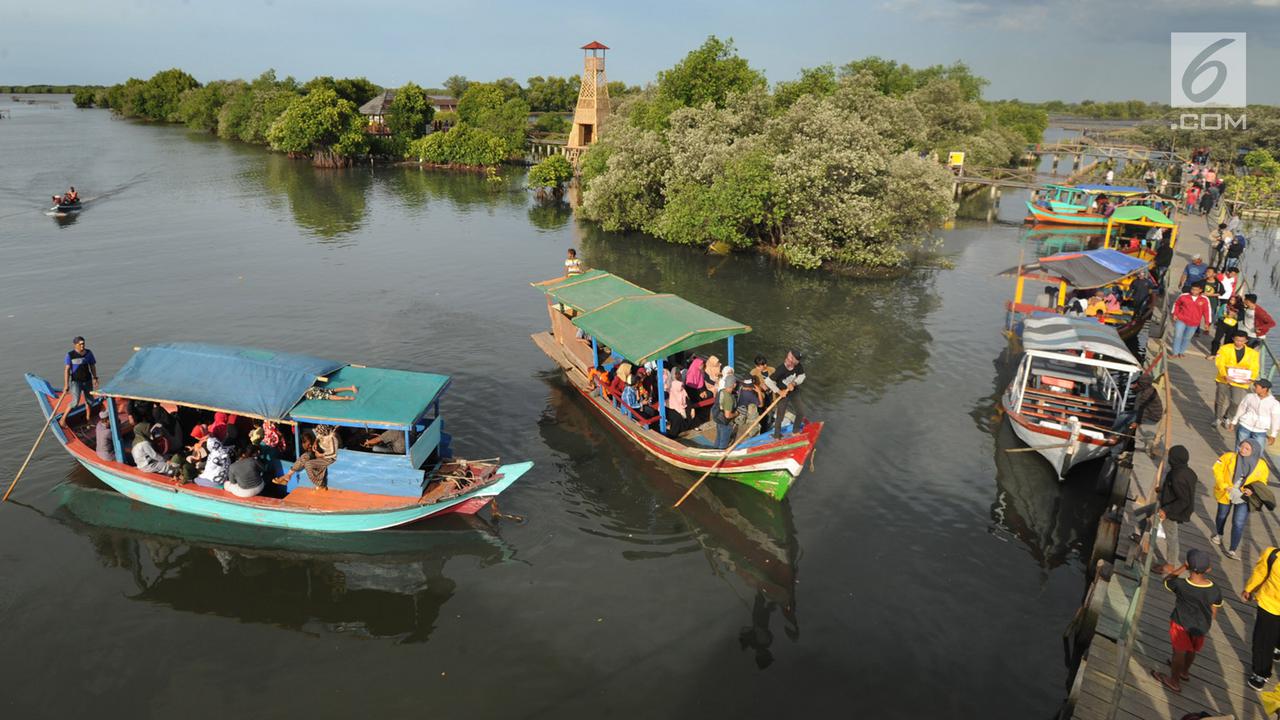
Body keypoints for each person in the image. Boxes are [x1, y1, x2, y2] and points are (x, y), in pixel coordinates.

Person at [1152, 549, 1222, 693]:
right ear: (1208, 569)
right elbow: (1214, 612)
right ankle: (1184, 671)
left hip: (1181, 624)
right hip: (1201, 627)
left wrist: (1182, 567)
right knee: (1191, 649)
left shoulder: (1181, 585)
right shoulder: (1215, 589)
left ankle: (1174, 681)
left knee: (1179, 652)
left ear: (1189, 566)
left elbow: (1167, 580)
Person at [1212, 438, 1269, 559]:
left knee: (1238, 522)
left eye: (1247, 449)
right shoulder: (1229, 457)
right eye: (1241, 447)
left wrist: (1252, 490)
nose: (1242, 450)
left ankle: (1232, 549)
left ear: (1254, 451)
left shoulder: (1262, 465)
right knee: (1222, 515)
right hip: (1227, 491)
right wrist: (1223, 485)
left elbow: (1262, 481)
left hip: (1244, 496)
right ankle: (1219, 534)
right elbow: (1217, 469)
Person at [1156, 446, 1199, 576]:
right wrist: (1162, 490)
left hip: (1172, 511)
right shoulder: (1188, 472)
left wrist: (1166, 510)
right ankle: (1144, 542)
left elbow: (1183, 500)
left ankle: (1170, 565)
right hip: (1169, 505)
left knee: (1171, 537)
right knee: (1144, 514)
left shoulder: (1177, 476)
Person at [1244, 545, 1280, 690]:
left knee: (1263, 640)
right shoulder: (1272, 555)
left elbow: (1260, 573)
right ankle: (1277, 650)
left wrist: (1249, 589)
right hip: (1270, 603)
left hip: (1269, 604)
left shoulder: (1272, 554)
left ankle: (1260, 673)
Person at [1214, 331, 1260, 427]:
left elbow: (1255, 367)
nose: (1239, 342)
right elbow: (1219, 362)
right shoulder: (1224, 349)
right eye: (1237, 340)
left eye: (1242, 341)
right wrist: (1224, 374)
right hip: (1224, 378)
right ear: (1233, 339)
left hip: (1241, 381)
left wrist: (1252, 378)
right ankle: (1217, 418)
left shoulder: (1253, 353)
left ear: (1246, 341)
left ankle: (1228, 417)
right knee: (1220, 399)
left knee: (1236, 401)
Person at [274, 426, 339, 490]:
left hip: (329, 458)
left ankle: (321, 485)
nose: (319, 435)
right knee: (305, 456)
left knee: (308, 464)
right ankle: (287, 476)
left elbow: (333, 454)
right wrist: (315, 443)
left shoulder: (333, 438)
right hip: (320, 454)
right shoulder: (321, 434)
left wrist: (321, 455)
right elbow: (318, 436)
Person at [765, 350, 808, 438]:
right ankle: (776, 436)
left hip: (794, 391)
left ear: (796, 362)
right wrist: (779, 391)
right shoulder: (780, 369)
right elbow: (768, 381)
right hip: (782, 394)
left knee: (801, 412)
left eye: (791, 359)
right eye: (788, 357)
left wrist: (794, 383)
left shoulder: (798, 366)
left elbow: (802, 376)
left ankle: (795, 431)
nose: (787, 360)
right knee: (780, 416)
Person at [1232, 379, 1280, 450]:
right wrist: (1234, 421)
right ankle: (1238, 460)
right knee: (1240, 448)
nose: (1255, 388)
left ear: (1264, 389)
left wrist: (1273, 434)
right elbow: (1241, 408)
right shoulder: (1249, 397)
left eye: (1257, 387)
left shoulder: (1274, 403)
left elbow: (1276, 419)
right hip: (1245, 425)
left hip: (1260, 430)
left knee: (1258, 451)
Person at [61, 336, 99, 425]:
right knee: (75, 403)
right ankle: (63, 419)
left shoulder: (89, 353)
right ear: (75, 345)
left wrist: (95, 377)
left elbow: (92, 366)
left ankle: (88, 419)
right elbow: (67, 370)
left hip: (87, 381)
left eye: (83, 344)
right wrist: (66, 385)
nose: (82, 346)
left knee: (90, 401)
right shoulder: (70, 355)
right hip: (76, 382)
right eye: (80, 344)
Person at [1169, 283, 1211, 358]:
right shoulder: (1183, 296)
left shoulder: (1204, 299)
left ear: (1200, 290)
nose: (1193, 291)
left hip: (1194, 323)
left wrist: (1207, 323)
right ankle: (1175, 353)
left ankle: (1181, 352)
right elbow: (1177, 304)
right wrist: (1175, 314)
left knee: (1187, 338)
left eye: (1196, 290)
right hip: (1181, 319)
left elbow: (1207, 312)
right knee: (1178, 335)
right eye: (1192, 289)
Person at [713, 373, 739, 449]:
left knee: (718, 437)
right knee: (724, 442)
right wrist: (736, 414)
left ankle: (714, 450)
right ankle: (720, 454)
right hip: (725, 422)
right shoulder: (729, 398)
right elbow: (727, 415)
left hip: (718, 418)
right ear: (734, 385)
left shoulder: (721, 391)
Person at [665, 370, 691, 437]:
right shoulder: (671, 391)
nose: (682, 388)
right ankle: (673, 434)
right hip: (671, 408)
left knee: (687, 414)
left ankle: (682, 430)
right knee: (677, 417)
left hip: (679, 407)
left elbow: (686, 400)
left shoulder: (682, 391)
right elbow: (670, 403)